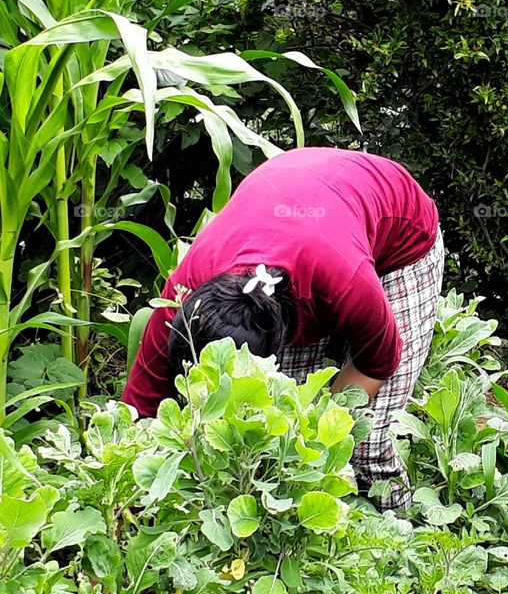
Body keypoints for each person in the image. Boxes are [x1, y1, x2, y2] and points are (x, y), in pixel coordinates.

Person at [122, 147, 443, 511]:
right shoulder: (185, 291)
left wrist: (315, 440)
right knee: (264, 438)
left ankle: (401, 537)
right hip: (301, 202)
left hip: (400, 233)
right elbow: (139, 411)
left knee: (359, 444)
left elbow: (378, 361)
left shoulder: (344, 282)